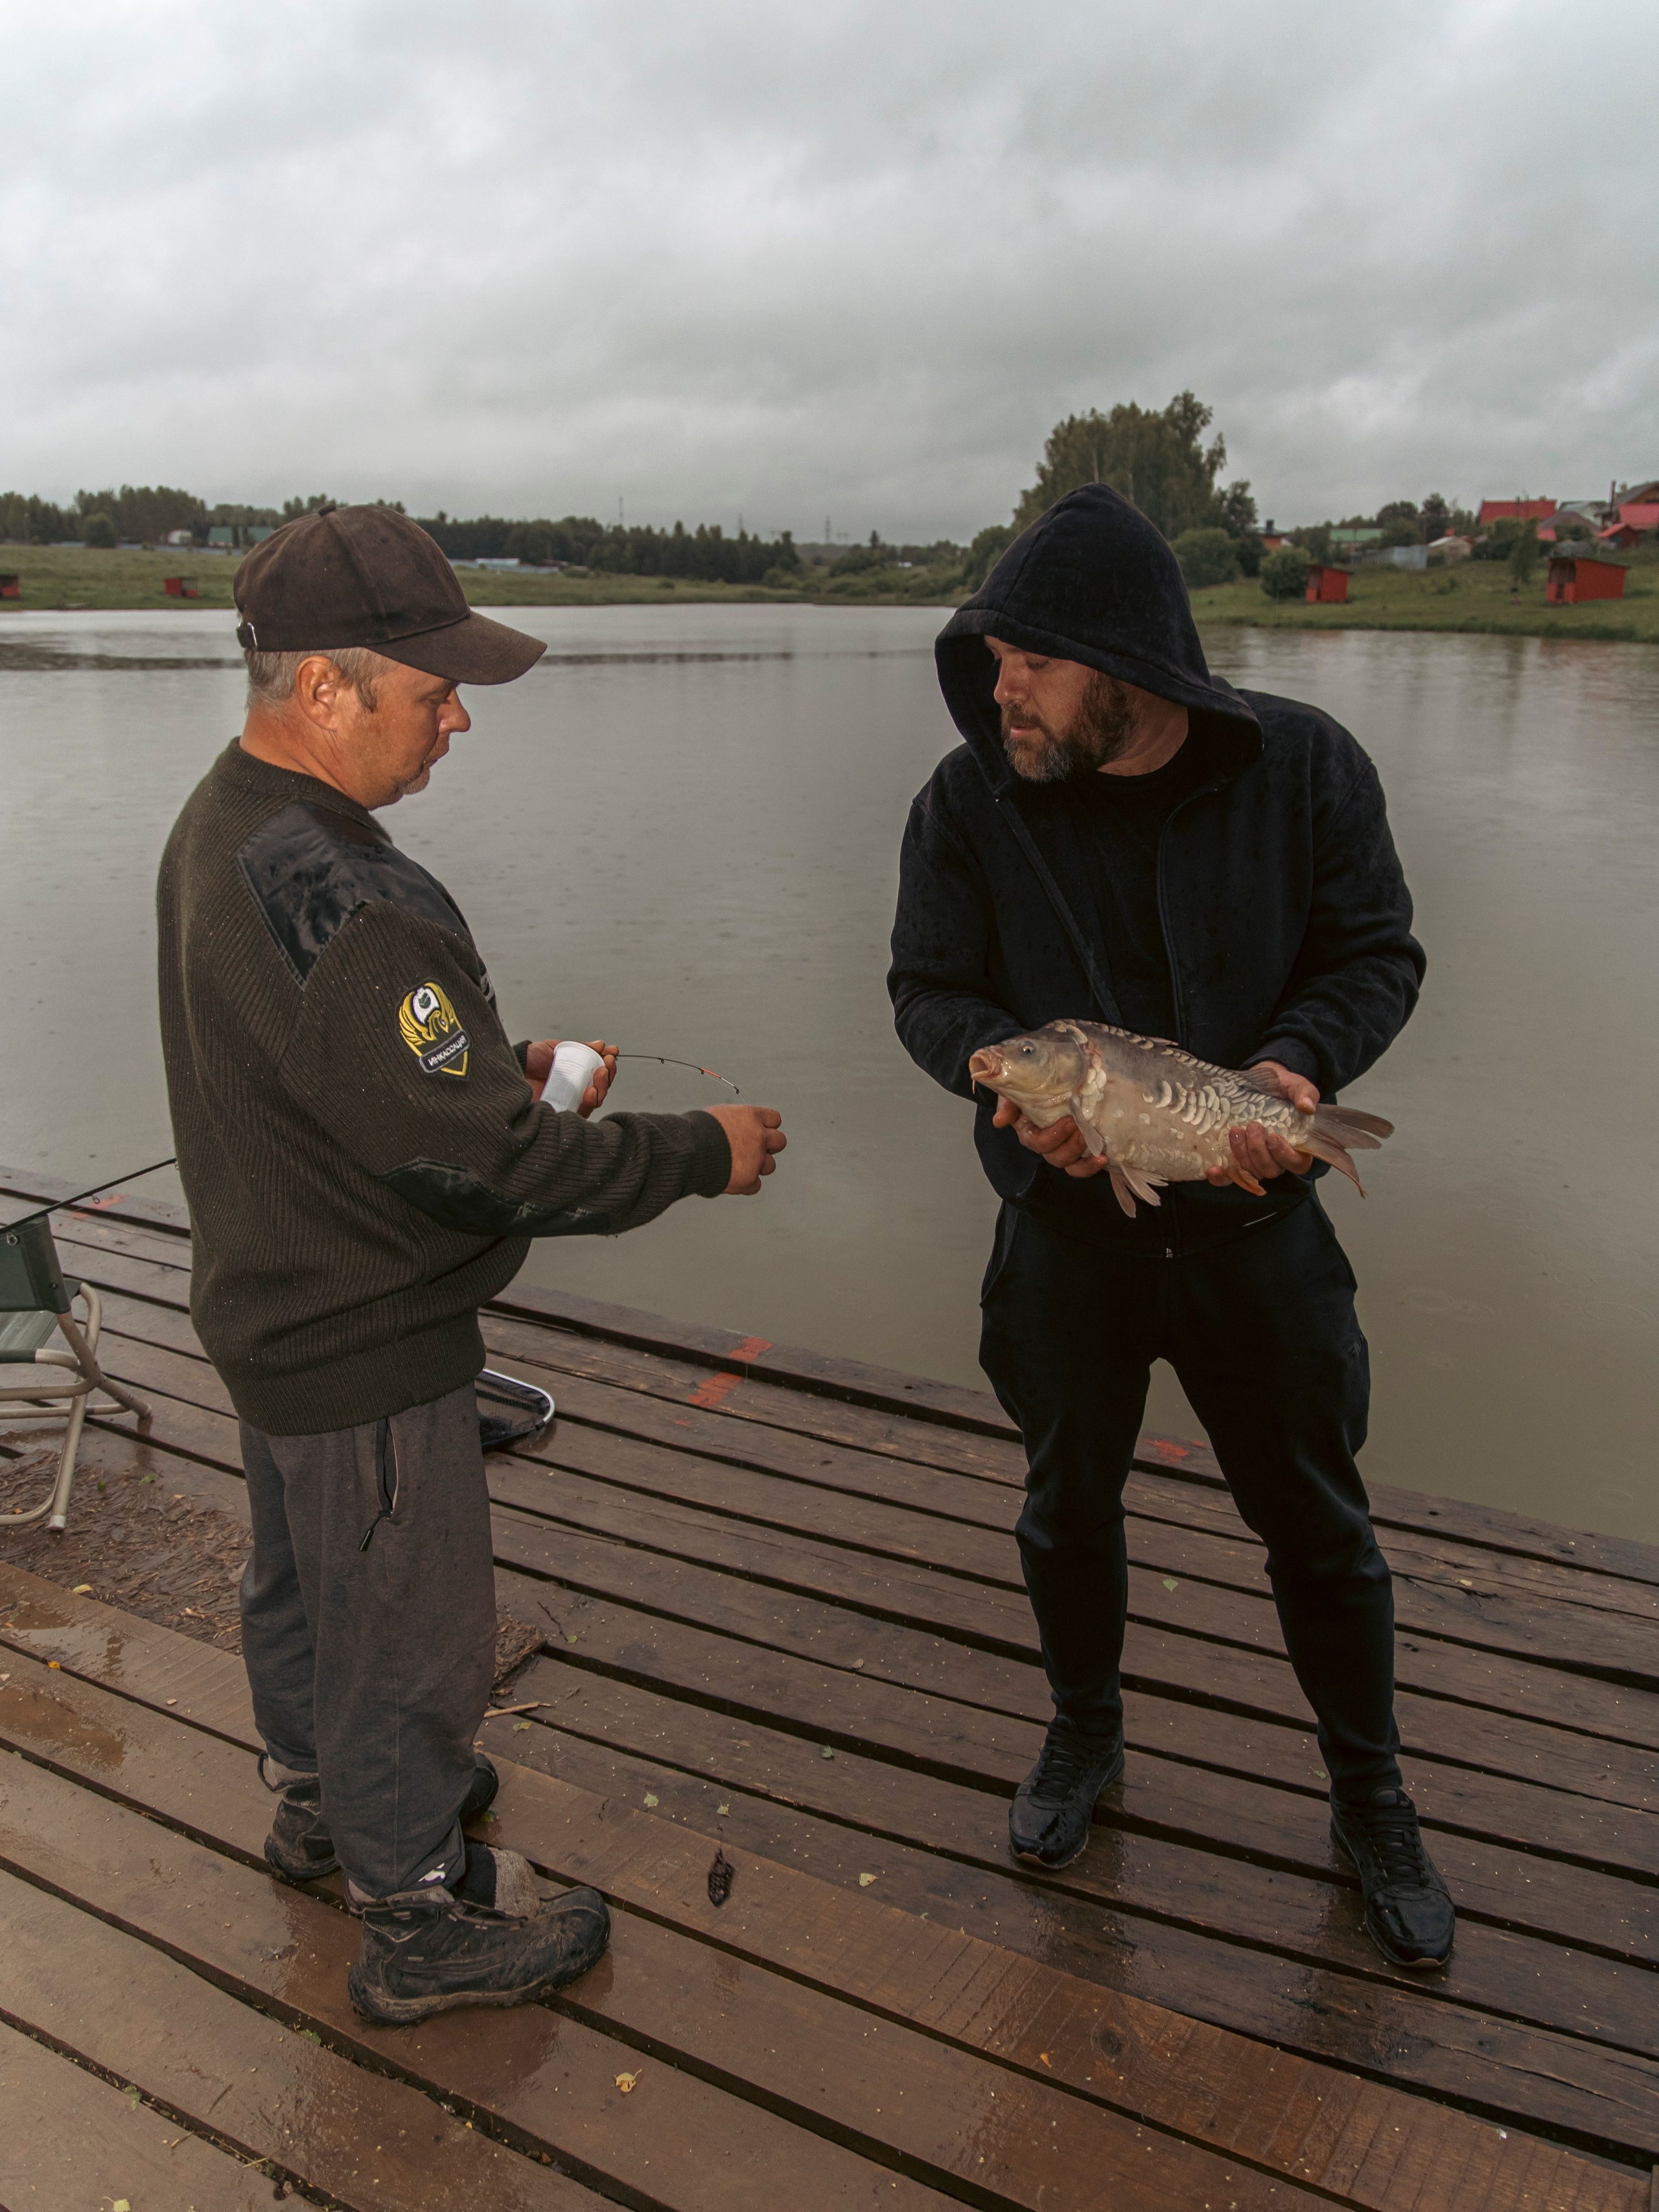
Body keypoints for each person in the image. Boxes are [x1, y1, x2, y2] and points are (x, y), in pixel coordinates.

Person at [156, 504, 786, 2024]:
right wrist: (702, 1150)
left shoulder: (222, 823)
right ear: (324, 690)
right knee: (410, 1632)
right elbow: (490, 1168)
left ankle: (325, 1806)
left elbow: (351, 1080)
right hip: (367, 1340)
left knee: (308, 1592)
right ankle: (418, 1916)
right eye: (431, 693)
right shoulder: (355, 898)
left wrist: (508, 1065)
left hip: (275, 1317)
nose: (454, 724)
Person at [888, 485, 1454, 1970]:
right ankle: (1083, 1735)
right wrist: (996, 1074)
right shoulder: (965, 804)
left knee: (1318, 1530)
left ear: (1121, 668)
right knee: (1063, 1507)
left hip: (1254, 1240)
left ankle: (1367, 1795)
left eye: (1026, 659)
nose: (996, 685)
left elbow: (1375, 954)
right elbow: (925, 992)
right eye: (990, 656)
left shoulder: (1305, 771)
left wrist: (1296, 1072)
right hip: (1062, 1238)